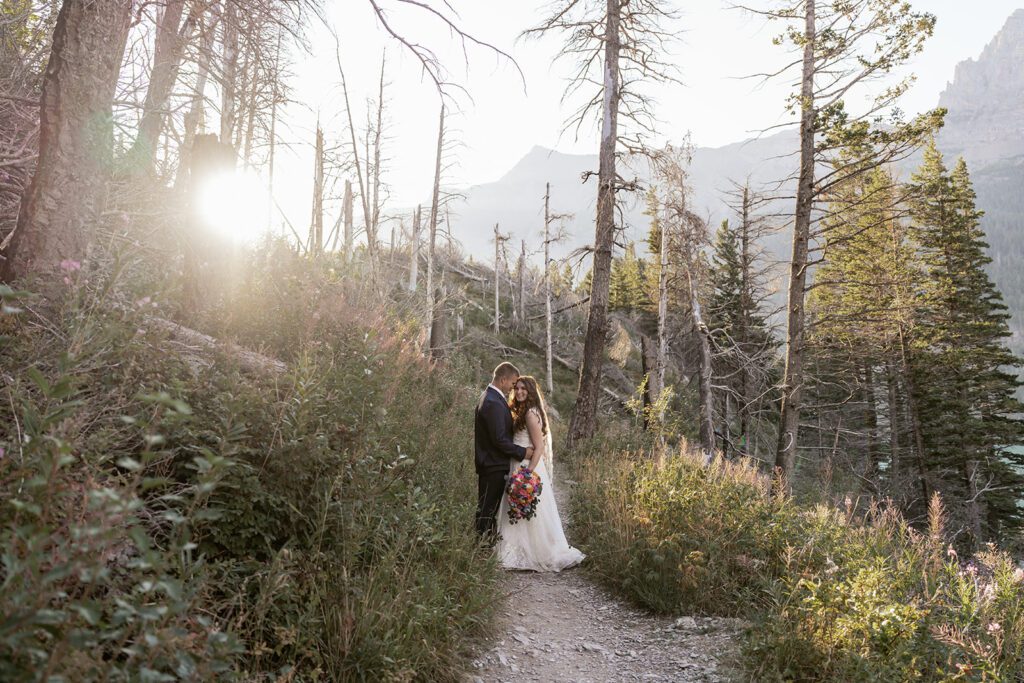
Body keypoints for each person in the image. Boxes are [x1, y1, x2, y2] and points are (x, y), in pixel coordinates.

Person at [496, 375, 584, 571]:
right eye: (516, 388)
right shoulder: (523, 410)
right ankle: (517, 550)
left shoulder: (530, 413)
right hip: (518, 464)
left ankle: (535, 553)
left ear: (531, 392)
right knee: (519, 510)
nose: (519, 392)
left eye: (523, 389)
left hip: (527, 466)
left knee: (529, 512)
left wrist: (527, 474)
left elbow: (539, 447)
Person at [475, 362, 533, 540]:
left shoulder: (490, 397)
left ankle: (486, 543)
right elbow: (499, 439)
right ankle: (481, 546)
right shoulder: (493, 401)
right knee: (487, 509)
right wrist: (523, 453)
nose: (513, 388)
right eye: (513, 383)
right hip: (493, 464)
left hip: (491, 463)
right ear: (503, 380)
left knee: (489, 508)